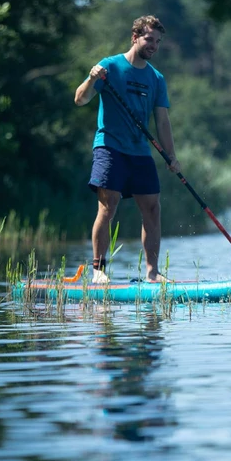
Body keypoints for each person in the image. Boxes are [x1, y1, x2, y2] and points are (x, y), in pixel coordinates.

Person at [74, 15, 181, 283]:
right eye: (149, 39)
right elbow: (80, 100)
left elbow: (163, 121)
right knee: (108, 206)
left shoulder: (156, 79)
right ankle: (98, 270)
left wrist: (171, 156)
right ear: (135, 37)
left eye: (157, 41)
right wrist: (91, 78)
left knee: (153, 208)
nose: (153, 45)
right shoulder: (109, 66)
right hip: (110, 147)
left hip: (140, 152)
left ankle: (152, 272)